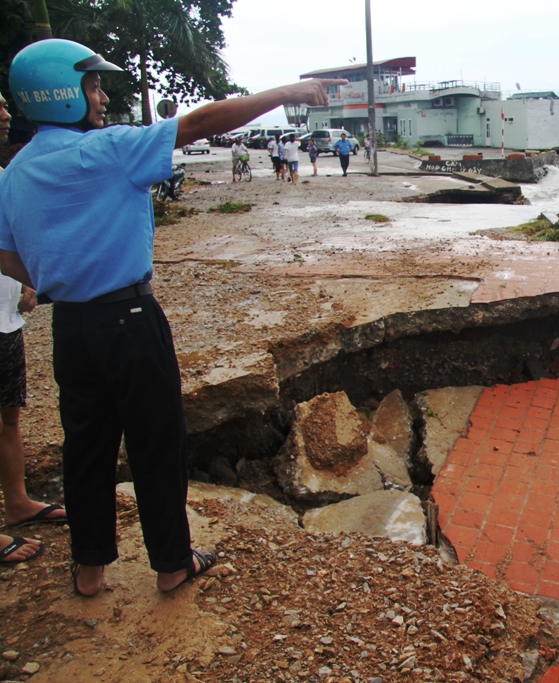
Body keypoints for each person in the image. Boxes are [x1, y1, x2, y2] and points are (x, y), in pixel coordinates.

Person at [0, 38, 345, 594]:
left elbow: (4, 251)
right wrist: (286, 92)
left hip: (71, 329)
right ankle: (171, 564)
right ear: (60, 92)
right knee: (157, 442)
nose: (103, 95)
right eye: (91, 84)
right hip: (130, 318)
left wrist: (49, 274)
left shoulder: (14, 173)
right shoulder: (108, 150)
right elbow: (200, 123)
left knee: (85, 448)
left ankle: (89, 570)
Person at [0, 92, 67, 566]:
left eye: (5, 105)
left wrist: (28, 285)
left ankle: (18, 502)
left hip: (5, 319)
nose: (6, 115)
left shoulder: (5, 177)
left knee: (8, 415)